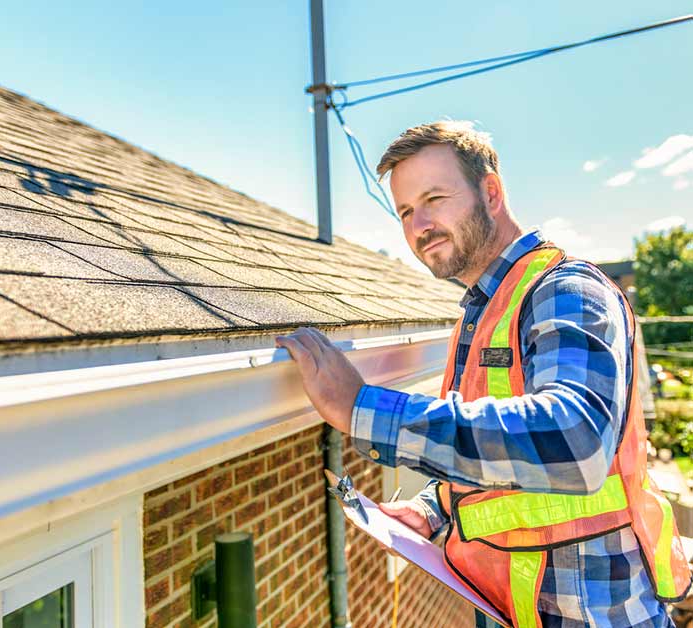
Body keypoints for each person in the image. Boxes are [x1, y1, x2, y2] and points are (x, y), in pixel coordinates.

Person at [275, 121, 690, 628]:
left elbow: (576, 441)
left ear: (490, 192)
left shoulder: (563, 290)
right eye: (405, 211)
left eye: (434, 198)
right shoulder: (482, 312)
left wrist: (361, 408)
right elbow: (503, 459)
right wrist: (435, 507)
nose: (419, 224)